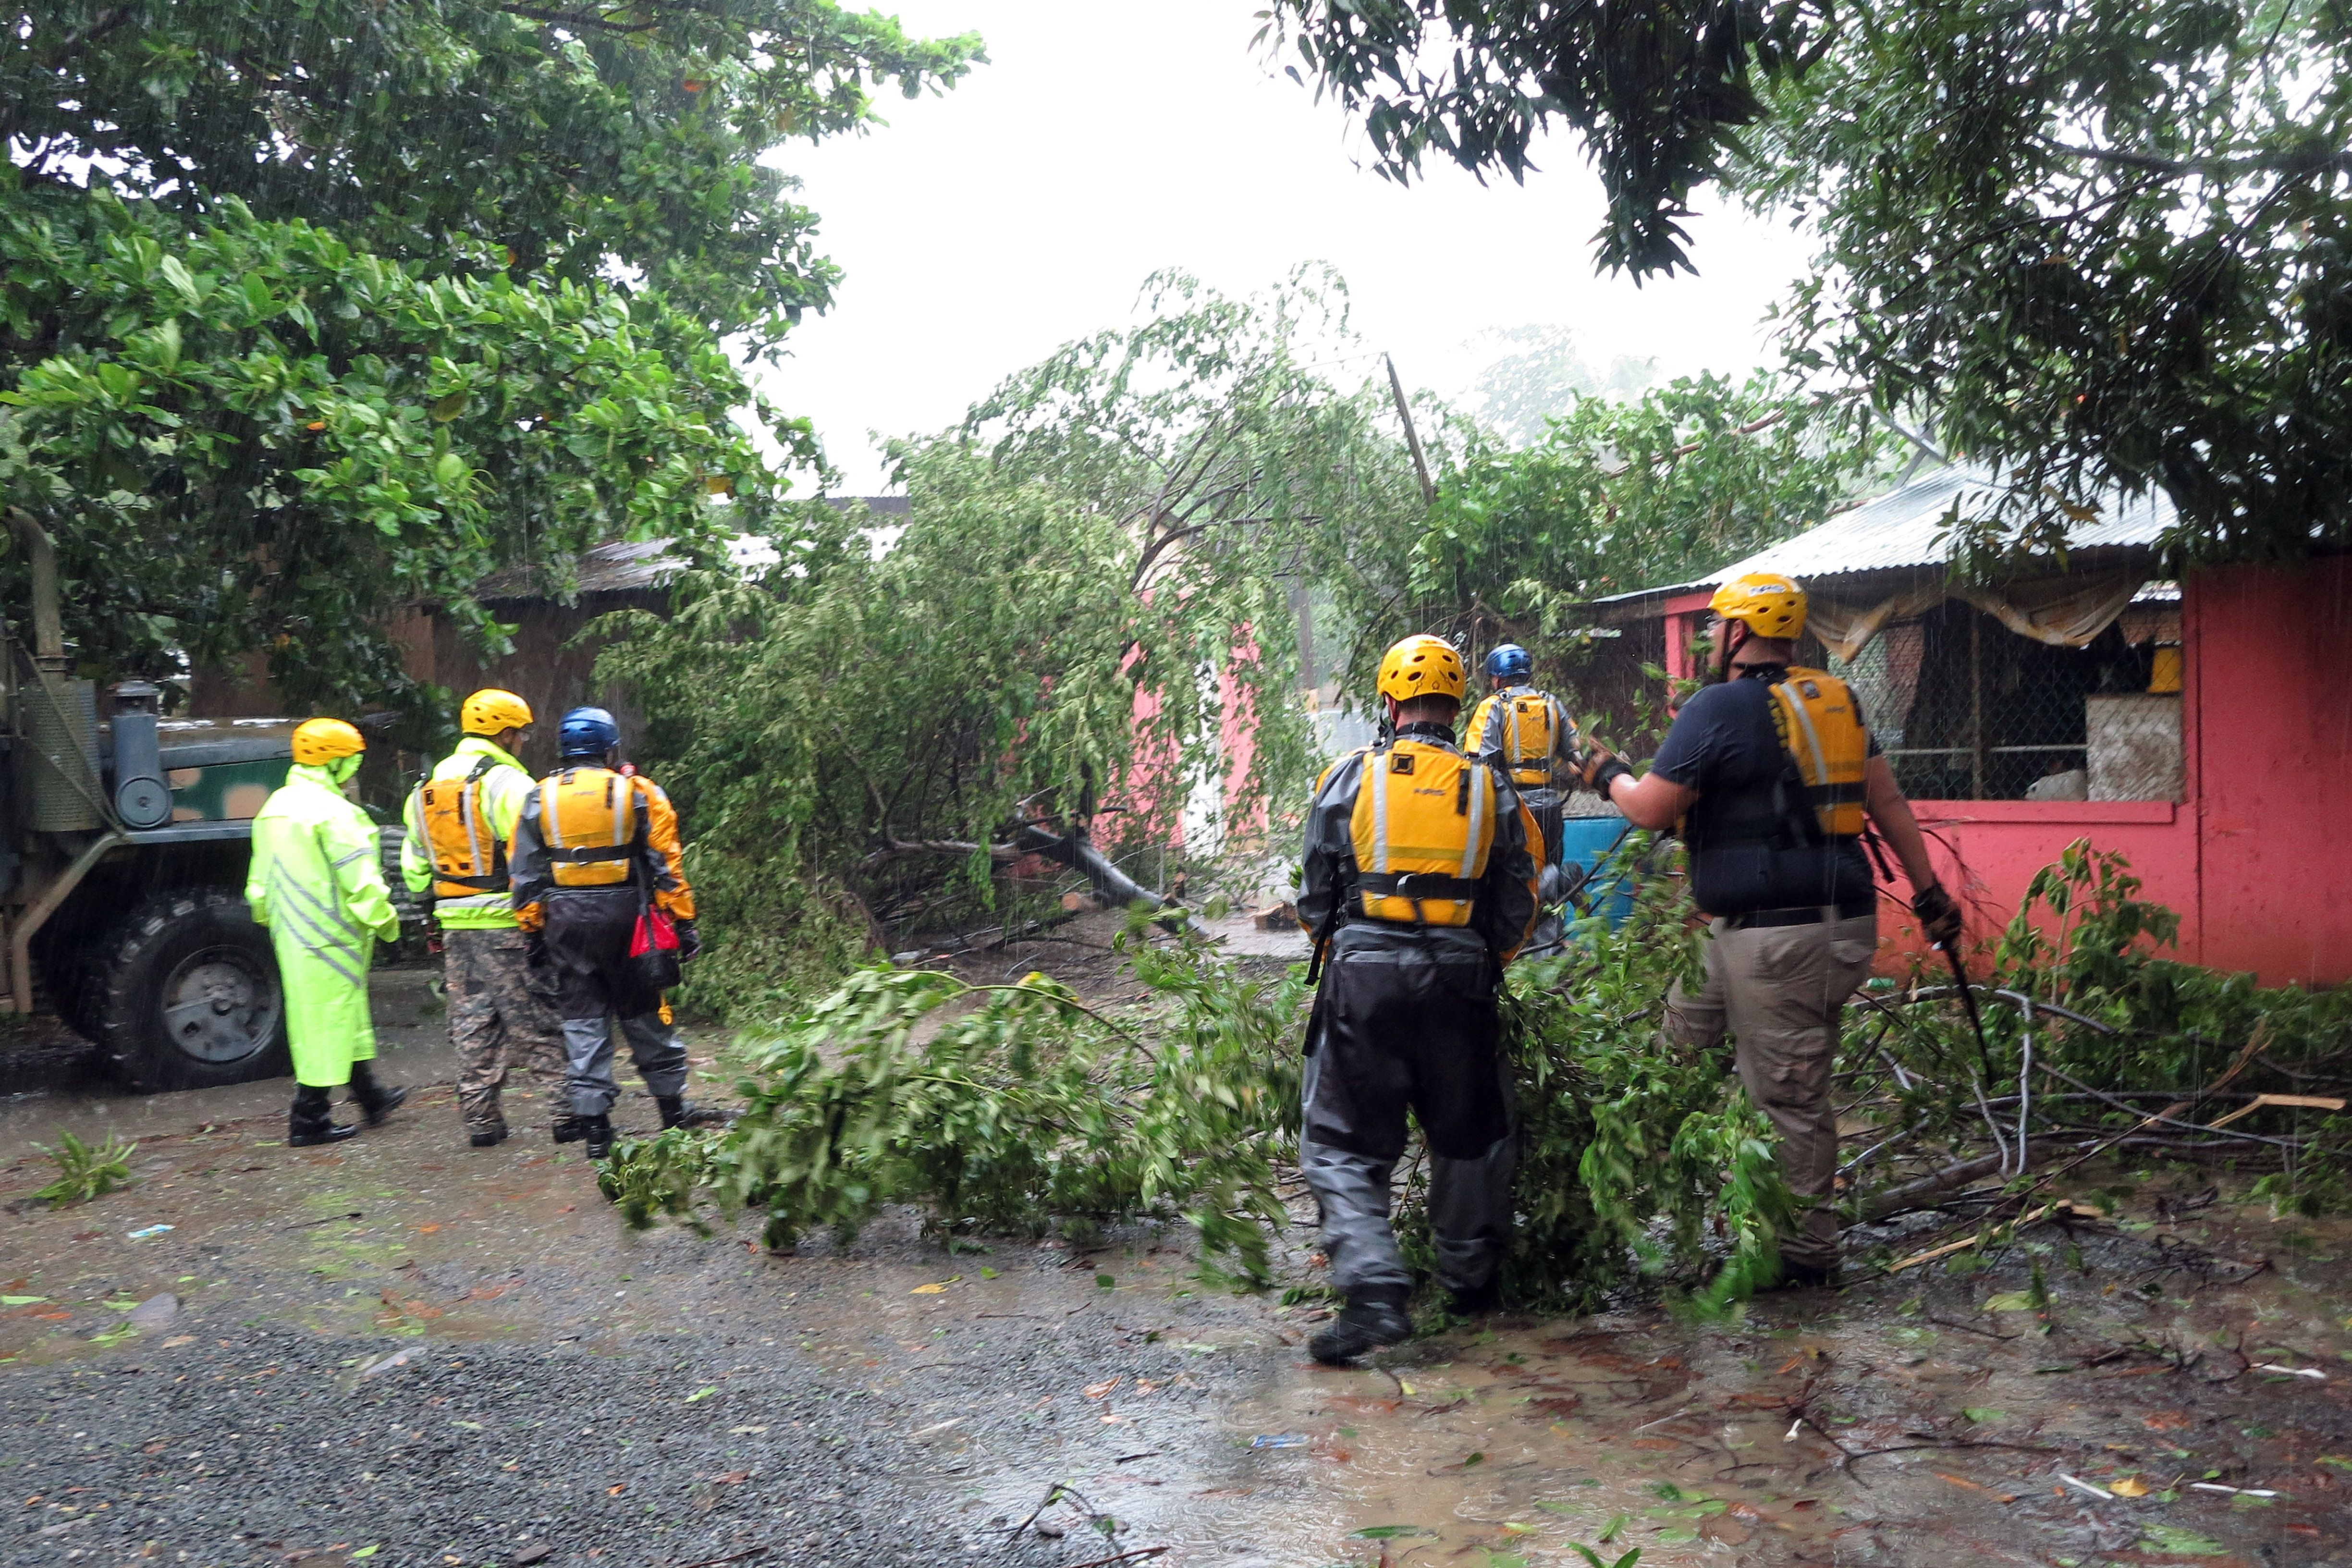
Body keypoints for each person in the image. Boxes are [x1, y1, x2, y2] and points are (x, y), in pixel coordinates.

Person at [1576, 573, 1962, 1286]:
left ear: (1735, 633)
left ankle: (1807, 1259)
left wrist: (1604, 772)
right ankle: (1633, 1203)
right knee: (1674, 1057)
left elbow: (1652, 810)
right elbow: (1891, 805)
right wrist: (1930, 893)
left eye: (1718, 629)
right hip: (1784, 928)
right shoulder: (1836, 700)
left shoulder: (1718, 706)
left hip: (1782, 942)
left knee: (1787, 1095)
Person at [1294, 634, 1544, 1363]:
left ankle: (1374, 1290)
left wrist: (1352, 946)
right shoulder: (1490, 788)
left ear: (1390, 703)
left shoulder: (1345, 779)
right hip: (1461, 982)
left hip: (1364, 980)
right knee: (1470, 1134)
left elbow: (1315, 896)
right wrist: (1479, 955)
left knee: (1339, 1141)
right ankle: (1468, 1284)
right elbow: (1519, 900)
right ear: (1456, 704)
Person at [507, 706, 719, 1159]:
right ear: (609, 747)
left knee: (583, 1024)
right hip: (629, 919)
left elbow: (524, 874)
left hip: (566, 922)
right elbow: (667, 863)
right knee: (645, 1016)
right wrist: (684, 922)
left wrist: (532, 931)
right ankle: (672, 1115)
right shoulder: (638, 792)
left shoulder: (538, 797)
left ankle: (598, 1134)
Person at [401, 688, 569, 1149]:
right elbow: (532, 857)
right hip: (506, 923)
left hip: (455, 927)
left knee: (474, 1024)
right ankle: (567, 1113)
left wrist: (439, 906)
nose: (523, 742)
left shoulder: (425, 790)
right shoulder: (507, 785)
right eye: (521, 734)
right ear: (507, 733)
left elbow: (415, 870)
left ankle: (482, 1122)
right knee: (537, 1017)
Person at [245, 717, 410, 1148]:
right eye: (352, 760)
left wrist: (275, 921)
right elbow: (361, 878)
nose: (355, 768)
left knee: (339, 1016)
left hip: (294, 933)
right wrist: (387, 922)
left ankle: (372, 1096)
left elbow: (259, 883)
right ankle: (309, 1119)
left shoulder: (276, 806)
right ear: (334, 761)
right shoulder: (336, 813)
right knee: (325, 1021)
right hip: (332, 935)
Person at [1466, 643, 1578, 951]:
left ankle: (1524, 952)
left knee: (1515, 883)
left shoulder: (1494, 707)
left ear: (1498, 678)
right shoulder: (1551, 704)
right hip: (1551, 809)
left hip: (1515, 811)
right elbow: (1577, 754)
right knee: (1545, 872)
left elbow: (1480, 765)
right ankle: (1552, 944)